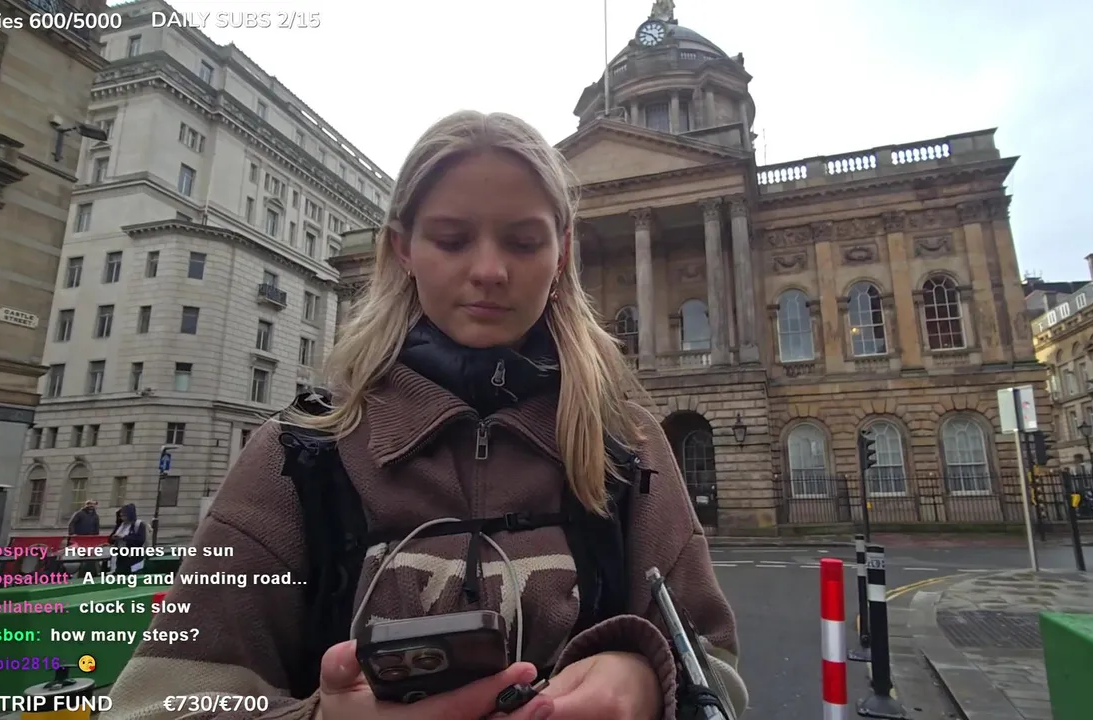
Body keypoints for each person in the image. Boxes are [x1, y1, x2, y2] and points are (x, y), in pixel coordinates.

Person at [105, 110, 747, 720]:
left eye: (524, 241)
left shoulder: (628, 444)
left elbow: (715, 669)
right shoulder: (297, 454)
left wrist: (648, 680)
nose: (489, 270)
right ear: (403, 249)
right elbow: (157, 701)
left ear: (562, 253)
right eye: (451, 239)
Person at [109, 504, 147, 574]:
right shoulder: (120, 525)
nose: (122, 518)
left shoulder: (138, 525)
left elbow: (140, 540)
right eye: (121, 516)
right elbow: (110, 539)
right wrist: (113, 538)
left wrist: (124, 537)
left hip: (133, 556)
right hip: (120, 555)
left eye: (124, 516)